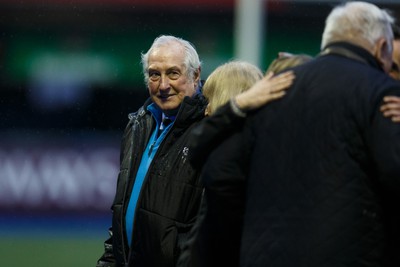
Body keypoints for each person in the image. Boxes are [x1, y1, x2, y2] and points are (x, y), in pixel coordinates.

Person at [188, 2, 400, 266]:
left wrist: (238, 106)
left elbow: (216, 170)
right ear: (382, 48)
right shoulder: (383, 94)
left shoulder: (272, 90)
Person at [96, 35, 208, 267]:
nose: (163, 85)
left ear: (195, 75)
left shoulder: (210, 131)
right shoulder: (138, 125)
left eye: (173, 73)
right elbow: (122, 213)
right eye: (154, 74)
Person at [177, 60, 296, 267]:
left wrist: (235, 107)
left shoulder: (227, 158)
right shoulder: (276, 146)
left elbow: (212, 237)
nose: (205, 111)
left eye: (209, 101)